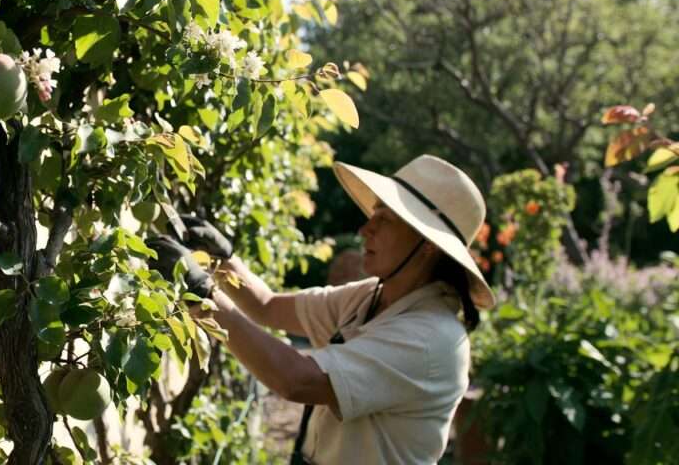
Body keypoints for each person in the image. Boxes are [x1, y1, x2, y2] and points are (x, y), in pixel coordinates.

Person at [147, 155, 496, 464]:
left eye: (386, 220)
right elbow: (267, 307)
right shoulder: (371, 297)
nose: (365, 229)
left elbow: (297, 380)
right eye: (374, 214)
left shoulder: (431, 339)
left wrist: (199, 293)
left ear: (428, 247)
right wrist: (224, 261)